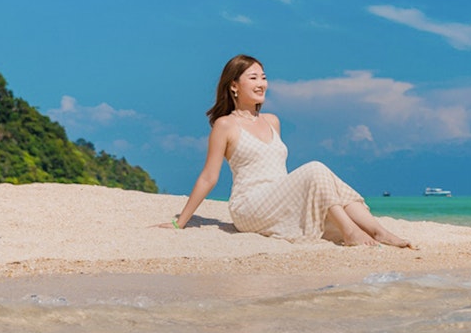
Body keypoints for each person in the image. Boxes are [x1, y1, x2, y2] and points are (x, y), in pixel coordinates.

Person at [161, 54, 412, 248]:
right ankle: (351, 232)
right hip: (249, 207)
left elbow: (278, 173)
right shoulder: (225, 125)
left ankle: (378, 231)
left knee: (329, 184)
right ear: (234, 86)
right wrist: (179, 222)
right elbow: (209, 177)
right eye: (253, 78)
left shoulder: (272, 121)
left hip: (280, 200)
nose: (262, 84)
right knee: (315, 168)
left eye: (263, 77)